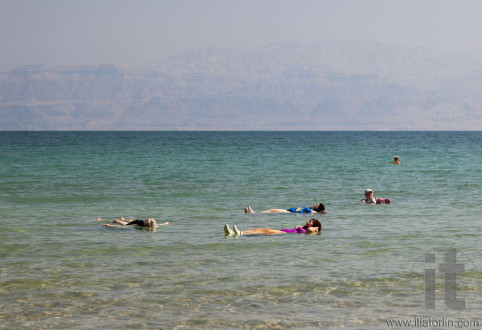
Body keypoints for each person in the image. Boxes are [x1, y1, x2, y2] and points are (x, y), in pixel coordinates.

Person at [224, 219, 322, 236]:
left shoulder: (312, 230)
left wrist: (316, 228)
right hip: (283, 231)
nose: (307, 221)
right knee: (259, 229)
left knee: (263, 231)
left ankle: (239, 233)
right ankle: (236, 232)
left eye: (310, 221)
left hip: (285, 234)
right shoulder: (304, 229)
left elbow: (309, 230)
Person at [244, 203, 327, 214]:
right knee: (271, 209)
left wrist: (321, 212)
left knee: (273, 210)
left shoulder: (313, 212)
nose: (314, 204)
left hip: (289, 213)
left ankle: (253, 213)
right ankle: (253, 213)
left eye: (316, 205)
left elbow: (320, 213)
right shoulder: (310, 209)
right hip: (288, 210)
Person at [97, 217, 170, 228]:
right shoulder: (153, 225)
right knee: (130, 220)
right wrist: (166, 223)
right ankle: (125, 219)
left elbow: (124, 227)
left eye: (148, 219)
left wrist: (109, 225)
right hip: (132, 221)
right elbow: (160, 224)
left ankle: (101, 220)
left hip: (128, 224)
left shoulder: (139, 224)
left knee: (115, 220)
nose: (148, 218)